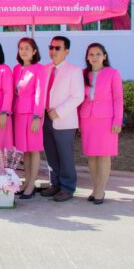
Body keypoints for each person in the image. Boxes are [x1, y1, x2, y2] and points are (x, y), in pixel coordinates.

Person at [41, 36, 84, 202]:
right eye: (51, 47)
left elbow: (78, 96)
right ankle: (55, 184)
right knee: (51, 154)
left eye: (57, 48)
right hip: (45, 118)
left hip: (63, 120)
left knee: (65, 155)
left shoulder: (74, 70)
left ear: (67, 51)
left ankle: (67, 188)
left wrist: (58, 112)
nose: (53, 51)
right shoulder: (45, 69)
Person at [79, 43, 122, 205]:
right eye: (91, 54)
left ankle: (100, 190)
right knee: (92, 155)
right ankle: (96, 188)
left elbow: (118, 98)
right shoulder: (83, 73)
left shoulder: (113, 73)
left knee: (104, 155)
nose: (94, 57)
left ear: (104, 56)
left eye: (98, 54)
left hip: (106, 120)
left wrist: (117, 120)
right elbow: (80, 98)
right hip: (87, 119)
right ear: (87, 57)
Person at [13, 38, 47, 199]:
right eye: (21, 48)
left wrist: (37, 116)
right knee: (24, 150)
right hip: (19, 114)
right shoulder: (16, 69)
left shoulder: (39, 69)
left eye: (27, 48)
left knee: (33, 149)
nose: (24, 51)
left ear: (34, 51)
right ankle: (26, 181)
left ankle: (32, 184)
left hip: (33, 114)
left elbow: (40, 94)